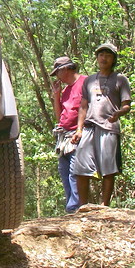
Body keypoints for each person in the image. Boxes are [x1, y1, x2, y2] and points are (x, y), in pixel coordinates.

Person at [72, 43, 131, 207]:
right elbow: (83, 105)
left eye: (108, 56)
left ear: (113, 60)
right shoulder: (89, 80)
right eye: (101, 55)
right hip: (89, 126)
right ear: (97, 58)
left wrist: (119, 113)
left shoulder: (120, 79)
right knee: (81, 168)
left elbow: (127, 105)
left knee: (108, 169)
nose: (104, 58)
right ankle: (83, 206)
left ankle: (105, 206)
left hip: (108, 127)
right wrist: (79, 129)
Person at [50, 56, 86, 213]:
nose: (57, 77)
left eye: (57, 72)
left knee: (74, 171)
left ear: (65, 69)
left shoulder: (85, 82)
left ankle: (76, 206)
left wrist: (80, 129)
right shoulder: (66, 90)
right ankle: (71, 205)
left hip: (78, 133)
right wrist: (56, 95)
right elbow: (59, 117)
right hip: (64, 136)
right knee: (64, 170)